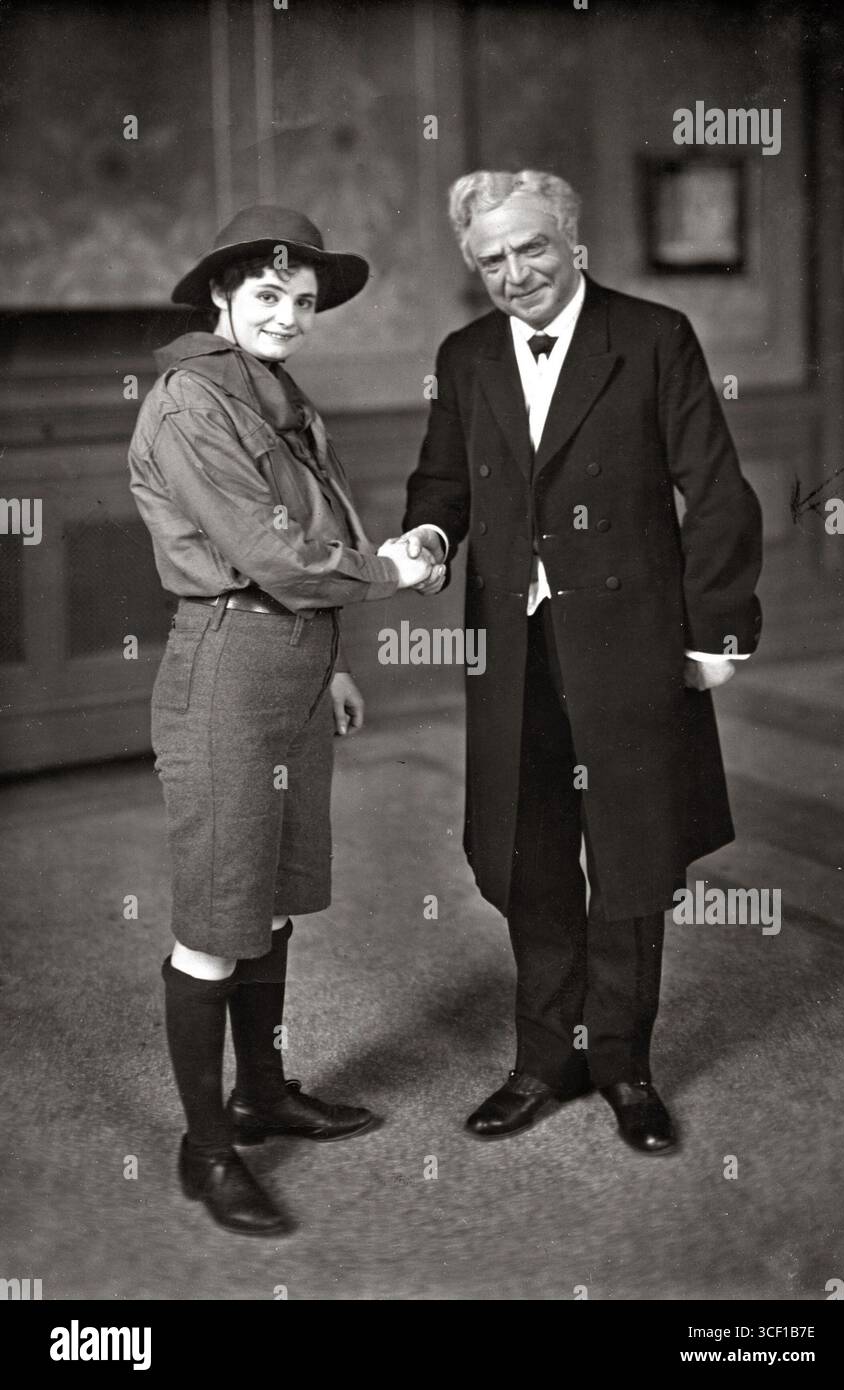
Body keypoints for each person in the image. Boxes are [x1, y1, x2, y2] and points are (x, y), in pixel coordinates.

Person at [398, 170, 762, 1153]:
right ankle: (538, 1061)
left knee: (631, 854)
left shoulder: (652, 336)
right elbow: (440, 483)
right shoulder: (465, 354)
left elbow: (717, 490)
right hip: (513, 649)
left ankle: (623, 1064)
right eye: (491, 260)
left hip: (633, 646)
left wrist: (710, 630)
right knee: (528, 849)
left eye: (531, 248)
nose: (514, 273)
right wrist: (429, 538)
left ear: (573, 243)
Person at [128, 205, 440, 1235]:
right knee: (218, 915)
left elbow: (316, 525)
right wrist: (389, 571)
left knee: (269, 895)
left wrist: (335, 664)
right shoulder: (189, 399)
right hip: (228, 662)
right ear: (220, 295)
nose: (289, 315)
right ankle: (206, 1148)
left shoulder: (276, 393)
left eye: (303, 302)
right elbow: (268, 555)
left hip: (295, 662)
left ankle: (261, 1092)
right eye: (268, 295)